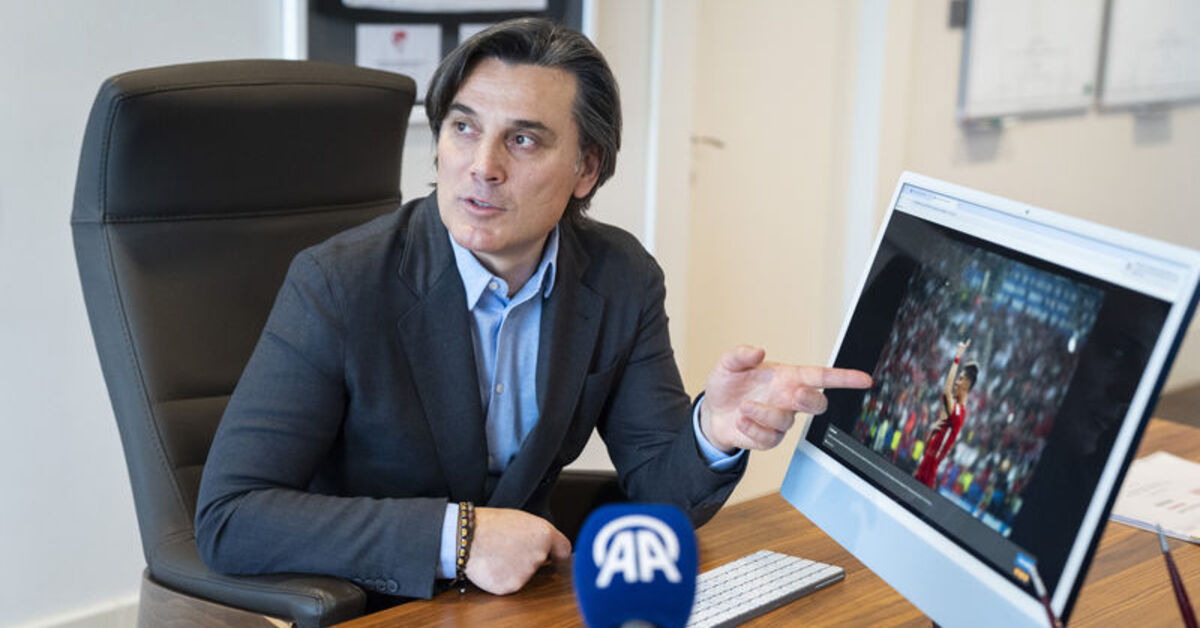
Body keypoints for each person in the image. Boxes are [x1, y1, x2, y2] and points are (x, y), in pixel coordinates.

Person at [194, 17, 871, 603]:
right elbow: (231, 516)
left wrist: (713, 433)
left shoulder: (620, 277)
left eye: (523, 140)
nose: (482, 166)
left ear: (586, 169)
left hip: (525, 602)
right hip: (379, 603)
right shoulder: (338, 282)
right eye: (464, 128)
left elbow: (659, 492)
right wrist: (459, 538)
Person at [915, 340, 978, 489]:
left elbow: (946, 392)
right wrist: (932, 433)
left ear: (966, 384)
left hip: (927, 478)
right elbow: (927, 450)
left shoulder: (959, 413)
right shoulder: (951, 412)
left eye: (960, 379)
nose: (956, 382)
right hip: (921, 471)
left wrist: (957, 357)